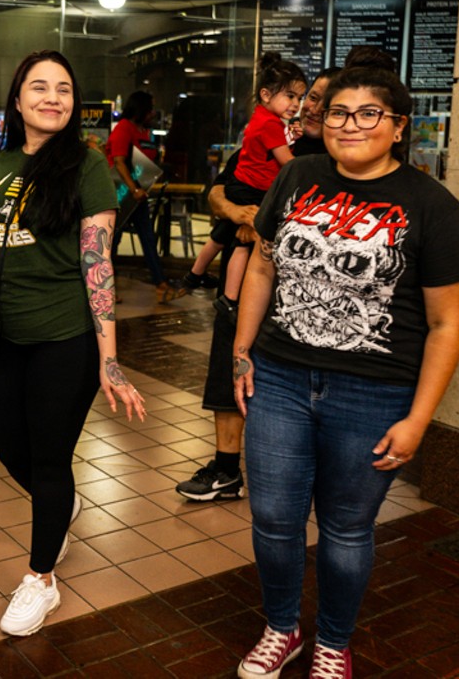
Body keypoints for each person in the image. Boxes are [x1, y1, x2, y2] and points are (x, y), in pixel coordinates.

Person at [233, 65, 459, 679]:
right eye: (339, 112)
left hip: (373, 394)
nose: (350, 125)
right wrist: (241, 353)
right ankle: (282, 627)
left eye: (370, 113)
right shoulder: (297, 175)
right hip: (282, 380)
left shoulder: (433, 206)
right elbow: (262, 268)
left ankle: (333, 642)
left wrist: (418, 420)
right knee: (274, 519)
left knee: (345, 530)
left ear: (399, 127)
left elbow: (448, 324)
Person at [0, 50, 146, 637]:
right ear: (17, 99)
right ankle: (60, 507)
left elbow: (99, 266)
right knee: (12, 447)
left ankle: (40, 580)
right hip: (5, 335)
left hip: (66, 336)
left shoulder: (85, 165)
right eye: (40, 87)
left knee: (50, 456)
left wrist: (110, 360)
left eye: (64, 88)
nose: (53, 98)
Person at [181, 53, 307, 315]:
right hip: (252, 190)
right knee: (240, 242)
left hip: (242, 184)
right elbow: (286, 161)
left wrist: (291, 135)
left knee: (223, 237)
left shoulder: (264, 118)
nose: (296, 104)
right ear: (265, 94)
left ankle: (198, 277)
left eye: (299, 97)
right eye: (290, 96)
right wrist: (308, 170)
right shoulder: (270, 124)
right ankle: (227, 296)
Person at [173, 147, 257, 502]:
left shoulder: (319, 160)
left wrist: (259, 219)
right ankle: (226, 471)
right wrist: (241, 214)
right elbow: (216, 194)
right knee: (228, 369)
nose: (308, 108)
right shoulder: (259, 146)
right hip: (242, 287)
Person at [104, 90, 177, 302]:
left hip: (137, 195)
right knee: (113, 242)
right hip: (121, 194)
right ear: (141, 109)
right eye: (150, 108)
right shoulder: (124, 129)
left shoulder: (143, 131)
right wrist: (133, 188)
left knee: (147, 239)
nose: (152, 112)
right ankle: (107, 288)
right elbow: (118, 161)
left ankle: (161, 285)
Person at [290, 67, 339, 158]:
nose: (314, 110)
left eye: (327, 105)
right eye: (313, 98)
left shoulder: (343, 160)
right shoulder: (280, 134)